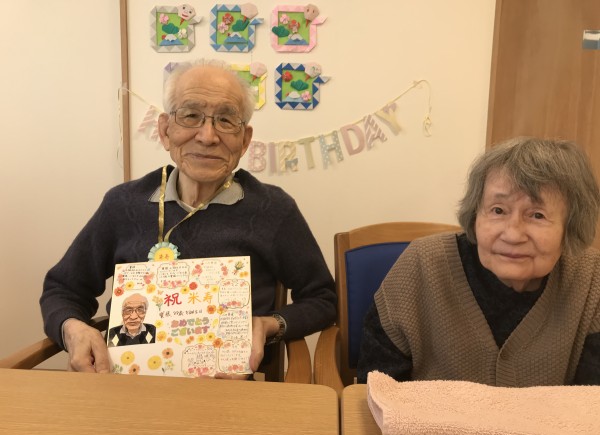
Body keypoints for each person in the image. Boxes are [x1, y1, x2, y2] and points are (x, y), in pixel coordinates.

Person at [40, 59, 336, 376]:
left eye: (226, 120)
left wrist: (269, 324)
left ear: (245, 140)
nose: (207, 136)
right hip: (125, 385)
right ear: (165, 130)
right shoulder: (123, 204)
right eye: (191, 116)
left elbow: (323, 299)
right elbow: (63, 289)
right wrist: (74, 329)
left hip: (228, 388)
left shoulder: (272, 209)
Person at [357, 137, 600, 386]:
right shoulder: (422, 265)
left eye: (537, 215)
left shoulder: (591, 279)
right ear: (475, 216)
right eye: (498, 210)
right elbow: (376, 388)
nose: (513, 234)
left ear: (571, 226)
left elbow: (593, 401)